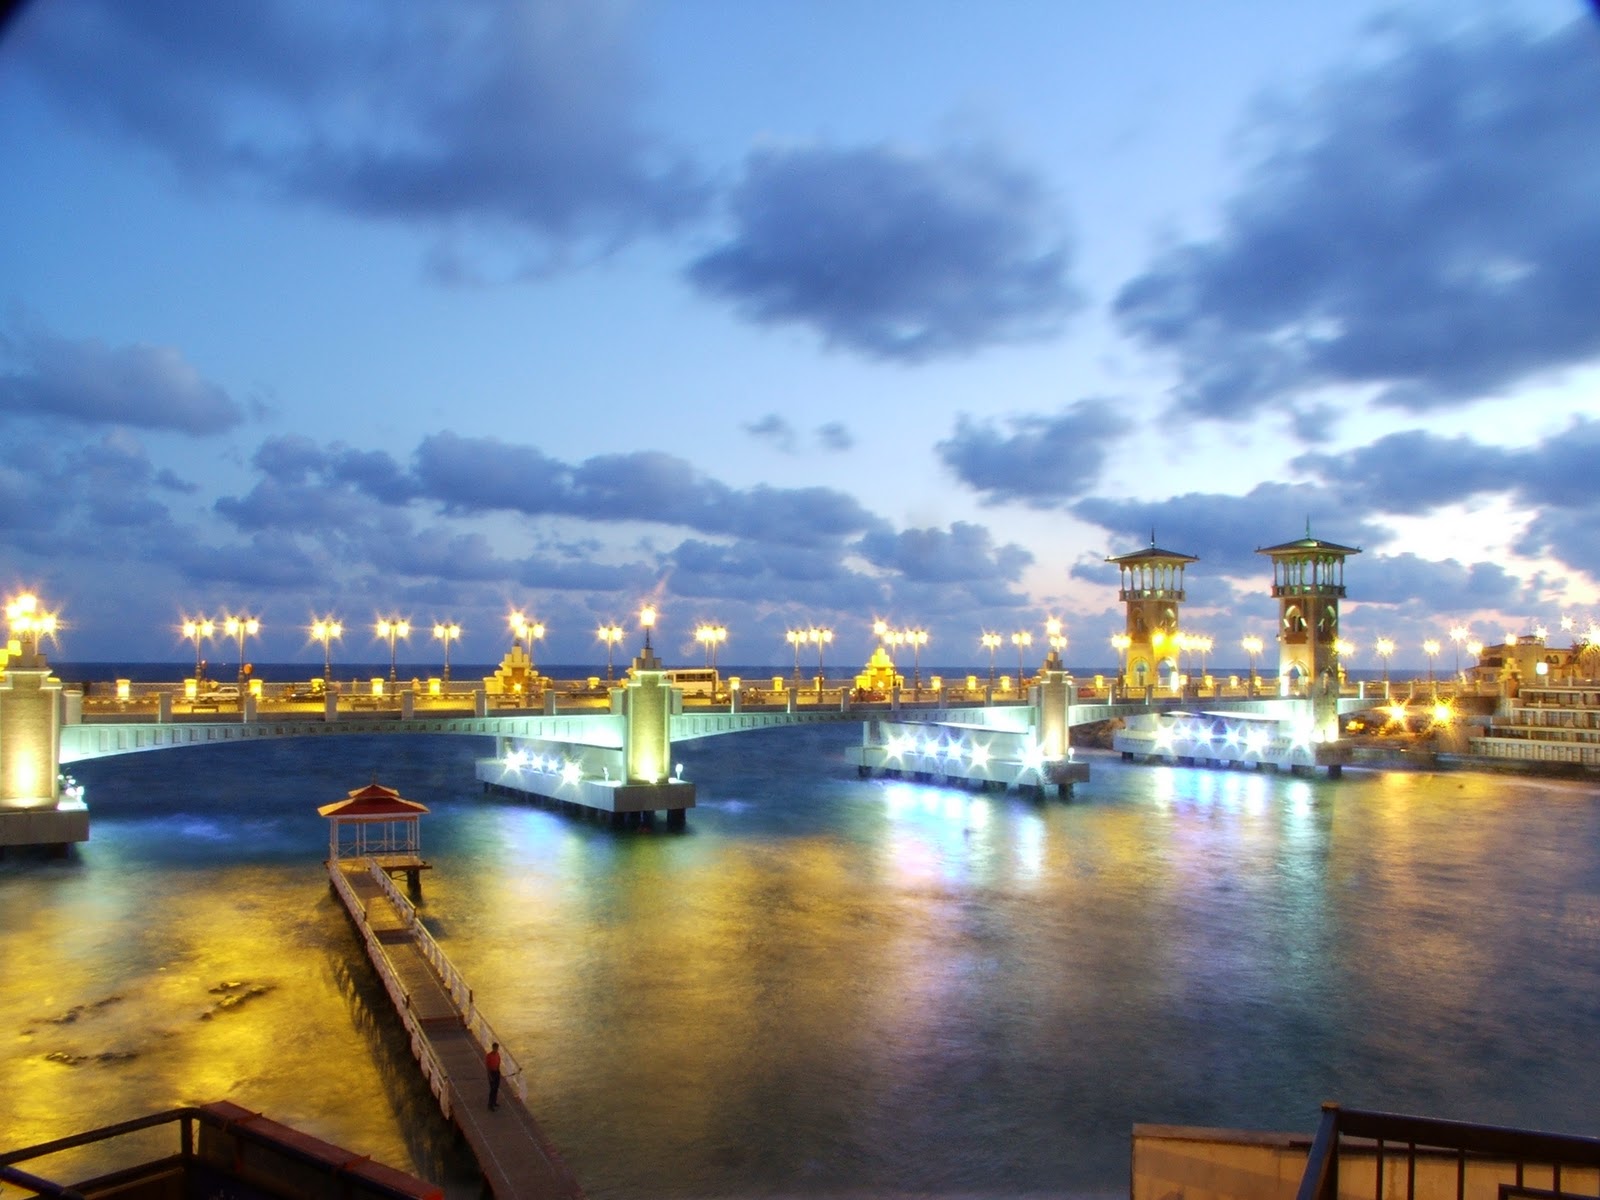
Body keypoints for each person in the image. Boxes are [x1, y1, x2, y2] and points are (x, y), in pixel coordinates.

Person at [486, 1042, 502, 1111]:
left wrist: (498, 1072)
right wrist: (490, 1076)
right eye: (495, 1048)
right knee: (492, 1089)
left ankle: (494, 1102)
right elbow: (487, 1067)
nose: (496, 1049)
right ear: (493, 1048)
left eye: (497, 1048)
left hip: (496, 1072)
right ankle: (490, 1105)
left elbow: (498, 1062)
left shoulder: (497, 1054)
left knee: (496, 1088)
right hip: (492, 1073)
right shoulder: (488, 1056)